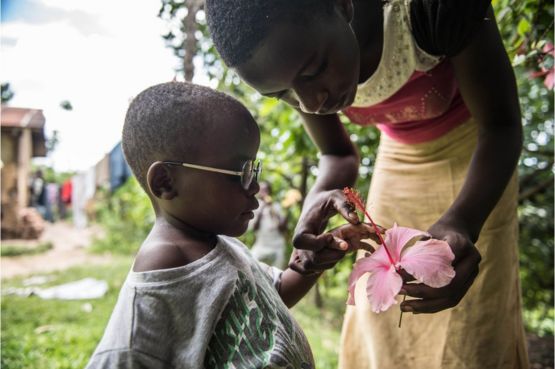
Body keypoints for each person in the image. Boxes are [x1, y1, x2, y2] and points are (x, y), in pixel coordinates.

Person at [205, 1, 528, 368]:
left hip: (478, 155)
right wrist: (314, 210)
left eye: (314, 71)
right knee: (381, 311)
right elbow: (338, 155)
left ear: (342, 7)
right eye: (282, 95)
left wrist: (463, 221)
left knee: (471, 316)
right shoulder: (292, 62)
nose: (310, 103)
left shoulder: (432, 8)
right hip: (400, 154)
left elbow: (501, 127)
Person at [85, 81, 378, 368]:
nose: (255, 186)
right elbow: (120, 356)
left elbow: (275, 295)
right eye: (241, 172)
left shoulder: (223, 246)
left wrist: (309, 265)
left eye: (254, 169)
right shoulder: (165, 266)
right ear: (165, 182)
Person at [251, 181, 288, 268]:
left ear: (270, 192)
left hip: (277, 247)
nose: (263, 192)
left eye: (265, 190)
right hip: (261, 246)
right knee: (251, 265)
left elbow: (282, 228)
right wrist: (263, 207)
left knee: (278, 272)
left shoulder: (276, 206)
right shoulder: (255, 207)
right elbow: (254, 228)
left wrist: (272, 209)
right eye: (261, 190)